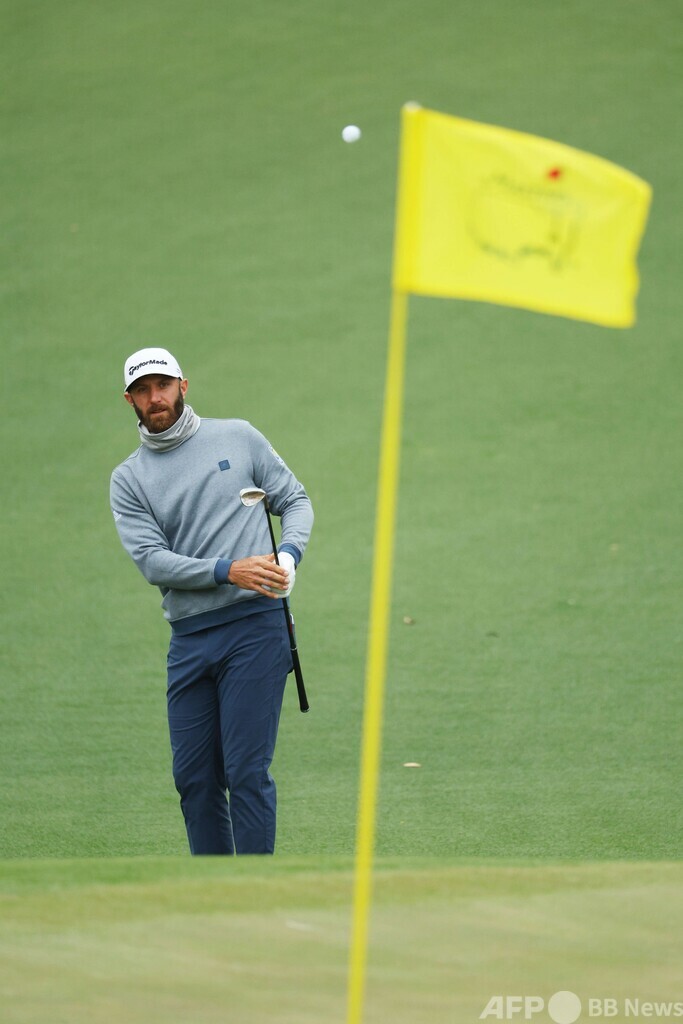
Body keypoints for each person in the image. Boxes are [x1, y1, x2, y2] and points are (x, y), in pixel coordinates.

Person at [110, 347, 314, 855]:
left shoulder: (238, 437)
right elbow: (153, 562)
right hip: (189, 640)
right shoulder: (129, 479)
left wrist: (289, 555)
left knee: (246, 771)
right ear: (130, 400)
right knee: (195, 779)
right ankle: (213, 887)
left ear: (183, 386)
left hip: (256, 626)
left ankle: (254, 890)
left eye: (163, 385)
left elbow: (295, 500)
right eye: (142, 390)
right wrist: (227, 570)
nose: (155, 398)